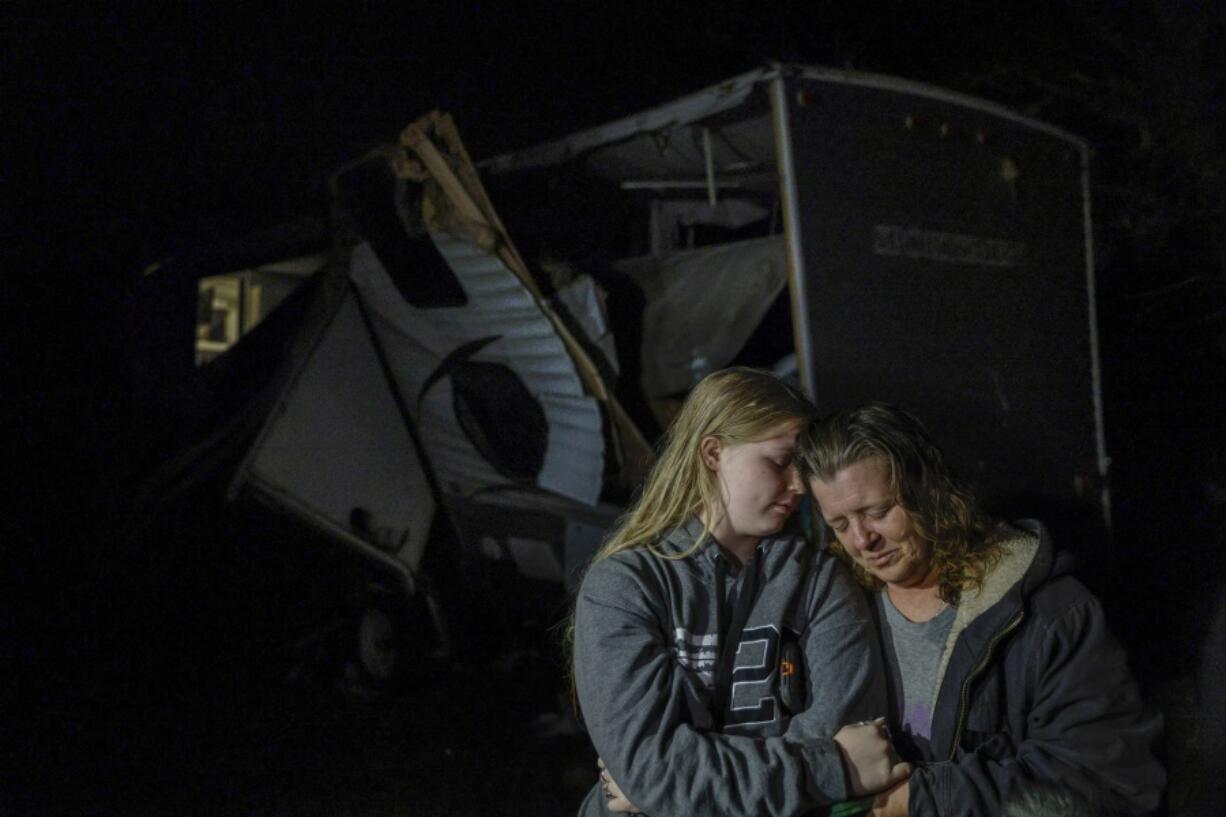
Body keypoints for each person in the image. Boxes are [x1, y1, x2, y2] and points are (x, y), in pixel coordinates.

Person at [571, 368, 910, 817]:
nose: (800, 485)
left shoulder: (821, 582)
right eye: (780, 461)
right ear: (713, 452)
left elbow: (854, 731)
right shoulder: (624, 585)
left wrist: (673, 790)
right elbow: (655, 771)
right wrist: (833, 767)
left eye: (803, 468)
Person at [798, 404, 1166, 817]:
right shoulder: (838, 617)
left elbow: (1102, 781)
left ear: (928, 489)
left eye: (878, 512)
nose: (863, 540)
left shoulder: (1051, 614)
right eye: (841, 524)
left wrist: (923, 799)